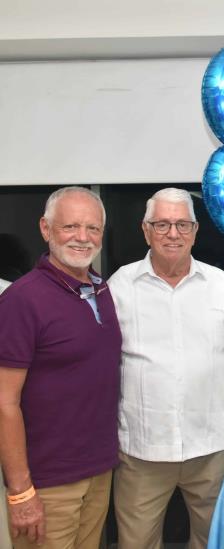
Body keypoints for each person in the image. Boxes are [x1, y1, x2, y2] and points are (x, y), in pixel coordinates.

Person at [109, 187, 224, 549]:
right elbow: (103, 366)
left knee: (216, 541)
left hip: (210, 447)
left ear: (195, 231)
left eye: (182, 224)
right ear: (145, 230)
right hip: (141, 450)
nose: (173, 234)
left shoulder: (219, 285)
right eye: (162, 224)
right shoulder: (120, 286)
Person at [0, 186, 121, 549]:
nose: (83, 238)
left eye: (93, 228)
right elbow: (4, 402)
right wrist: (21, 492)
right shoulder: (21, 300)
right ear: (45, 228)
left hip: (99, 471)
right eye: (70, 227)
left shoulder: (102, 289)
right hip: (48, 482)